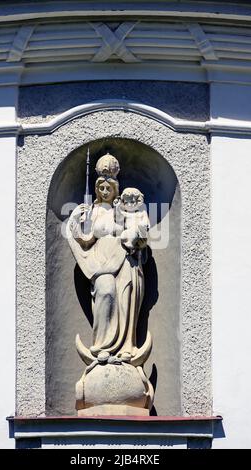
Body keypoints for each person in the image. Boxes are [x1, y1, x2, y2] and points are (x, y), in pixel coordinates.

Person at [66, 153, 149, 361]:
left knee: (125, 299)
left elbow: (139, 234)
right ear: (96, 189)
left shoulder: (124, 209)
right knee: (105, 290)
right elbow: (85, 239)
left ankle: (125, 348)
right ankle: (102, 346)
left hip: (125, 261)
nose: (104, 192)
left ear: (115, 189)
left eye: (108, 188)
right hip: (101, 263)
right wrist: (76, 219)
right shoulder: (92, 211)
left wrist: (135, 235)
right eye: (101, 188)